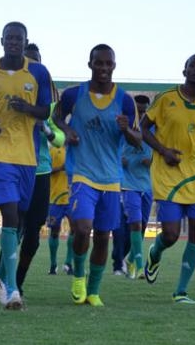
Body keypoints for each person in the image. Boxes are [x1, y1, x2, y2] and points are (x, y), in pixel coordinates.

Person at [0, 22, 52, 310]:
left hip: (28, 157)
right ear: (2, 40)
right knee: (9, 214)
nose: (14, 42)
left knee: (20, 218)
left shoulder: (39, 73)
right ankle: (11, 288)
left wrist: (27, 109)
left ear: (25, 41)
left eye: (19, 38)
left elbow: (45, 110)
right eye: (10, 38)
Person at [52, 44, 139, 306]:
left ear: (114, 66)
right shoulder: (74, 94)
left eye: (108, 63)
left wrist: (126, 130)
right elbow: (56, 116)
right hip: (82, 173)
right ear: (89, 64)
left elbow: (137, 139)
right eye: (98, 63)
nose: (103, 68)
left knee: (102, 235)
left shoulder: (125, 100)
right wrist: (67, 130)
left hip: (111, 178)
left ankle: (94, 290)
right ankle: (79, 276)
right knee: (82, 228)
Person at [142, 54, 195, 304]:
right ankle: (156, 252)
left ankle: (181, 291)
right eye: (193, 66)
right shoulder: (166, 99)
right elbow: (143, 128)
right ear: (184, 71)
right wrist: (163, 151)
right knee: (171, 234)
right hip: (169, 174)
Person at [13, 43, 64, 295]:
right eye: (28, 61)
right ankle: (4, 274)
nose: (33, 66)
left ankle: (17, 280)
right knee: (14, 225)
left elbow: (60, 138)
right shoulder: (11, 98)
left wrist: (45, 130)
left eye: (36, 61)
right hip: (15, 168)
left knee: (33, 231)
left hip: (40, 171)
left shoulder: (51, 106)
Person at [112, 94, 153, 279]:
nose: (141, 115)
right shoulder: (123, 127)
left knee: (142, 225)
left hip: (147, 185)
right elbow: (111, 148)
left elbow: (159, 151)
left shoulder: (153, 129)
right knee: (134, 223)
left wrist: (152, 161)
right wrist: (119, 160)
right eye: (138, 111)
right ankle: (139, 266)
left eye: (144, 111)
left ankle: (129, 260)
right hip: (128, 184)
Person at [47, 142, 73, 275]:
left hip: (73, 198)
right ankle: (53, 265)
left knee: (76, 229)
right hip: (54, 199)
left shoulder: (76, 151)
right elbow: (46, 170)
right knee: (54, 231)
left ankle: (68, 263)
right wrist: (60, 168)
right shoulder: (52, 150)